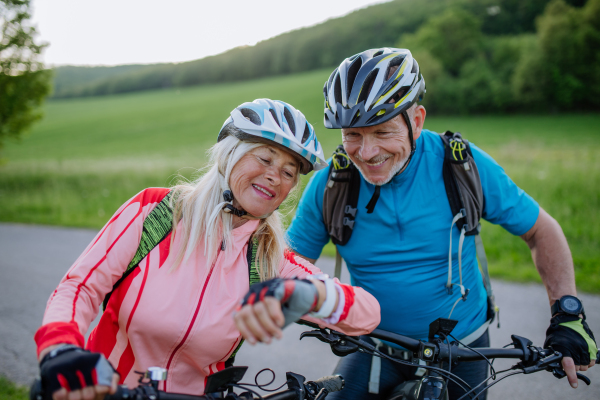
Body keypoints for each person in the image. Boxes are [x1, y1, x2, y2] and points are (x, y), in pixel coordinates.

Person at [286, 48, 597, 399]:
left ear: (416, 120)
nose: (367, 152)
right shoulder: (332, 184)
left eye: (383, 132)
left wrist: (568, 313)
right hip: (372, 347)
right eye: (352, 135)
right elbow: (290, 264)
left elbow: (541, 231)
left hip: (462, 347)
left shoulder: (460, 165)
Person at [34, 99, 381, 400]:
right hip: (105, 391)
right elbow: (78, 288)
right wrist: (59, 348)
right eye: (264, 158)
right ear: (229, 155)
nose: (275, 176)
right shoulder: (154, 213)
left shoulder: (269, 259)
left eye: (289, 172)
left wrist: (312, 295)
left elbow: (367, 314)